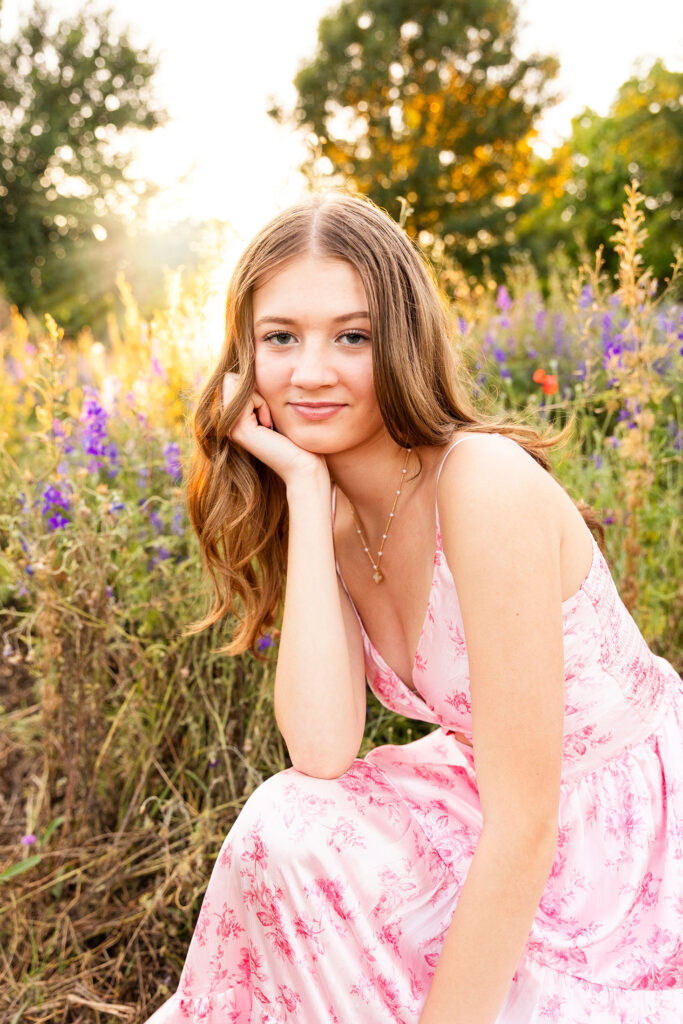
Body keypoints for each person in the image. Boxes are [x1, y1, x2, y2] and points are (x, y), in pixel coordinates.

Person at [145, 191, 682, 1024]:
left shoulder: (481, 482)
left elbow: (527, 822)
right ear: (242, 360)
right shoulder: (331, 512)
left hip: (621, 845)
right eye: (280, 338)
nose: (310, 372)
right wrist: (304, 486)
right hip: (484, 796)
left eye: (351, 337)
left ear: (400, 342)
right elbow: (320, 751)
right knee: (287, 821)